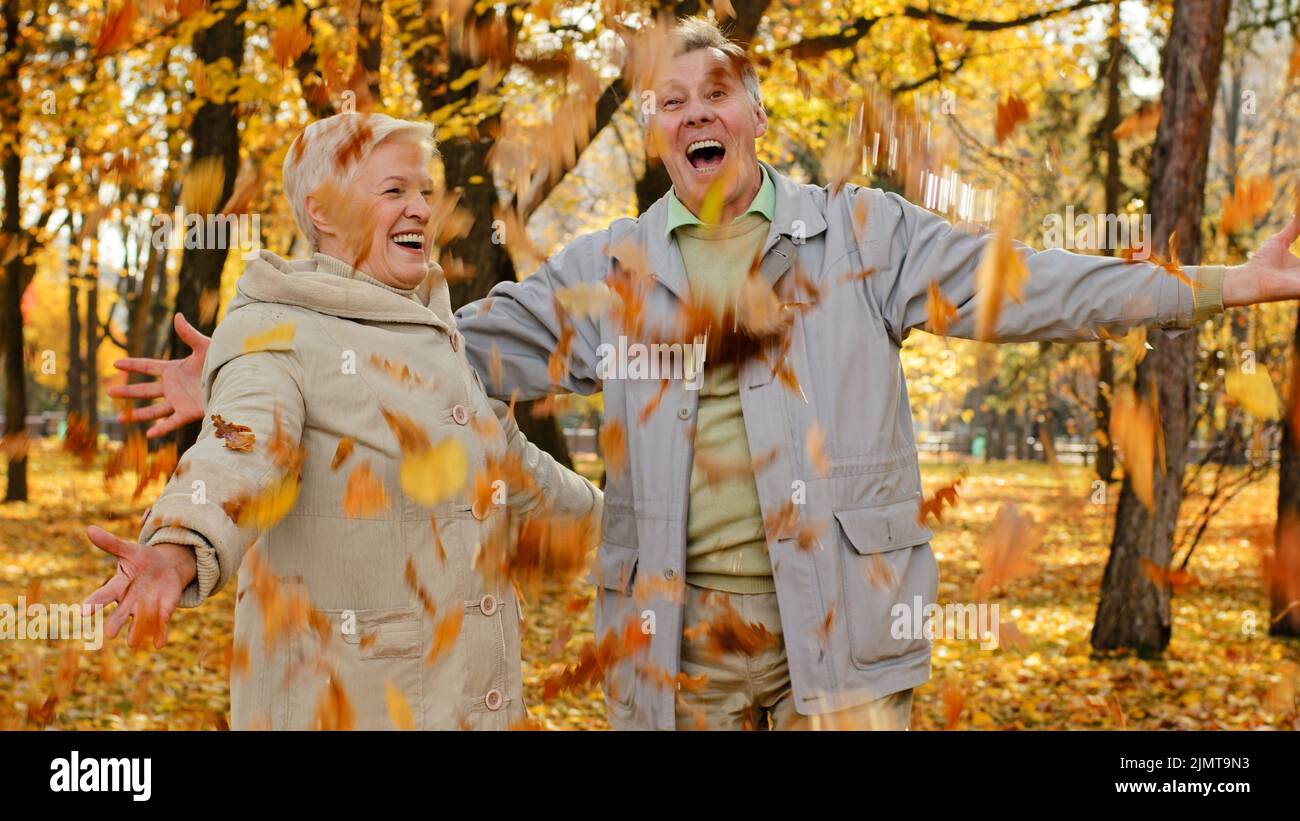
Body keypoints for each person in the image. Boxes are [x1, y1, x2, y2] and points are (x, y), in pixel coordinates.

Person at [110, 17, 1300, 730]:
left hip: (845, 630)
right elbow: (440, 351)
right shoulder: (609, 270)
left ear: (754, 110)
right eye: (667, 102)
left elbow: (1036, 285)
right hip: (677, 640)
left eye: (713, 91)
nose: (693, 113)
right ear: (653, 135)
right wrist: (271, 352)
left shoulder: (864, 236)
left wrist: (1226, 282)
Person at [84, 112, 602, 730]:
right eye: (394, 191)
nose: (420, 209)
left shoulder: (439, 337)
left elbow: (515, 472)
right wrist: (177, 547)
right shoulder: (273, 331)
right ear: (323, 211)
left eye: (425, 192)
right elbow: (244, 449)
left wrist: (633, 521)